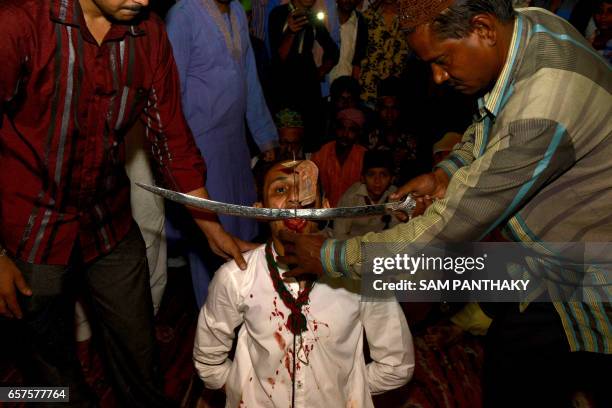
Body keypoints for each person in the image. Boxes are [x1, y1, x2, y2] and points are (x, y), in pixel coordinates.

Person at [278, 1, 612, 407]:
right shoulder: (530, 26)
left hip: (583, 267)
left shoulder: (544, 111)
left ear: (483, 28)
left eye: (442, 60)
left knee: (521, 379)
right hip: (545, 252)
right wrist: (447, 172)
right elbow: (492, 123)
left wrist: (332, 256)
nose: (437, 77)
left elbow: (446, 232)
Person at [0, 0, 253, 406]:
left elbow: (171, 139)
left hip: (108, 220)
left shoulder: (149, 34)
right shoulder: (19, 23)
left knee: (139, 350)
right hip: (31, 227)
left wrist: (211, 226)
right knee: (49, 368)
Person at [193, 159, 414, 407]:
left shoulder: (361, 276)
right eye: (280, 190)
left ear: (325, 206)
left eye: (306, 187)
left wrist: (347, 389)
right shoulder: (236, 277)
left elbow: (397, 365)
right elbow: (209, 362)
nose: (294, 200)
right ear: (260, 209)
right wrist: (243, 390)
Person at [165, 0, 278, 307]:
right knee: (211, 238)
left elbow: (250, 79)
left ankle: (247, 312)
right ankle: (214, 330)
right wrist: (180, 155)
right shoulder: (183, 15)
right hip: (199, 150)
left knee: (243, 227)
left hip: (236, 147)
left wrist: (265, 136)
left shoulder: (238, 12)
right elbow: (169, 94)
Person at [268, 0, 340, 151]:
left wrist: (321, 71)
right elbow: (279, 56)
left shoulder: (312, 17)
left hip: (308, 89)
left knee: (311, 143)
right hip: (283, 88)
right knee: (285, 143)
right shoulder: (279, 14)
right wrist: (290, 32)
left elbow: (333, 50)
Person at [333, 150, 401, 239]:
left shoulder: (395, 195)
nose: (377, 181)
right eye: (371, 175)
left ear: (392, 179)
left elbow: (397, 232)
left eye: (383, 175)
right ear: (363, 178)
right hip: (351, 243)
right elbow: (339, 234)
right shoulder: (352, 197)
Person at [358, 0, 411, 107]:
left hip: (398, 92)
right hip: (368, 89)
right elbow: (357, 54)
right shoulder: (366, 17)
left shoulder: (409, 19)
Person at [311, 108, 368, 207]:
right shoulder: (321, 154)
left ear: (359, 133)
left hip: (355, 215)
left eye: (352, 130)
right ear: (335, 128)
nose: (345, 134)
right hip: (327, 214)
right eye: (341, 128)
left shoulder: (365, 156)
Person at [328, 0, 369, 84]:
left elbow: (359, 58)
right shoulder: (325, 17)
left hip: (346, 88)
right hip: (322, 84)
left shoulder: (360, 21)